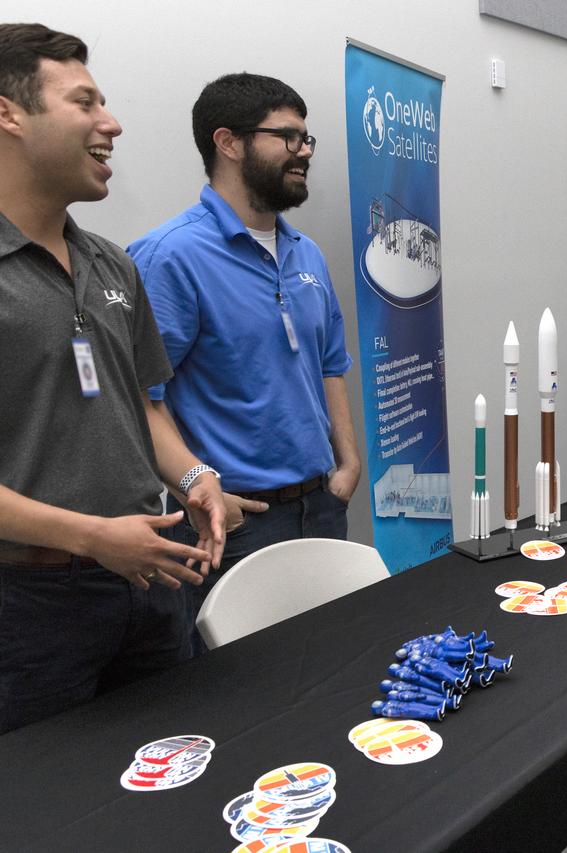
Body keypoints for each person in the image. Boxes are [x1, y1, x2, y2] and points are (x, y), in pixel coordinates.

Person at [0, 23, 225, 733]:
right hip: (29, 608)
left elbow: (141, 407)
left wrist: (195, 476)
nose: (112, 123)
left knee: (182, 774)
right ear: (8, 114)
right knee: (52, 812)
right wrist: (93, 536)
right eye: (85, 102)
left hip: (152, 582)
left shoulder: (113, 264)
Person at [127, 74, 360, 645]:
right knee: (244, 699)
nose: (303, 152)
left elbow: (331, 362)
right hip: (234, 523)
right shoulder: (170, 258)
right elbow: (138, 401)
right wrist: (195, 493)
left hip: (320, 504)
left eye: (307, 139)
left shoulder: (306, 254)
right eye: (287, 137)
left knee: (338, 664)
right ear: (228, 142)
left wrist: (347, 463)